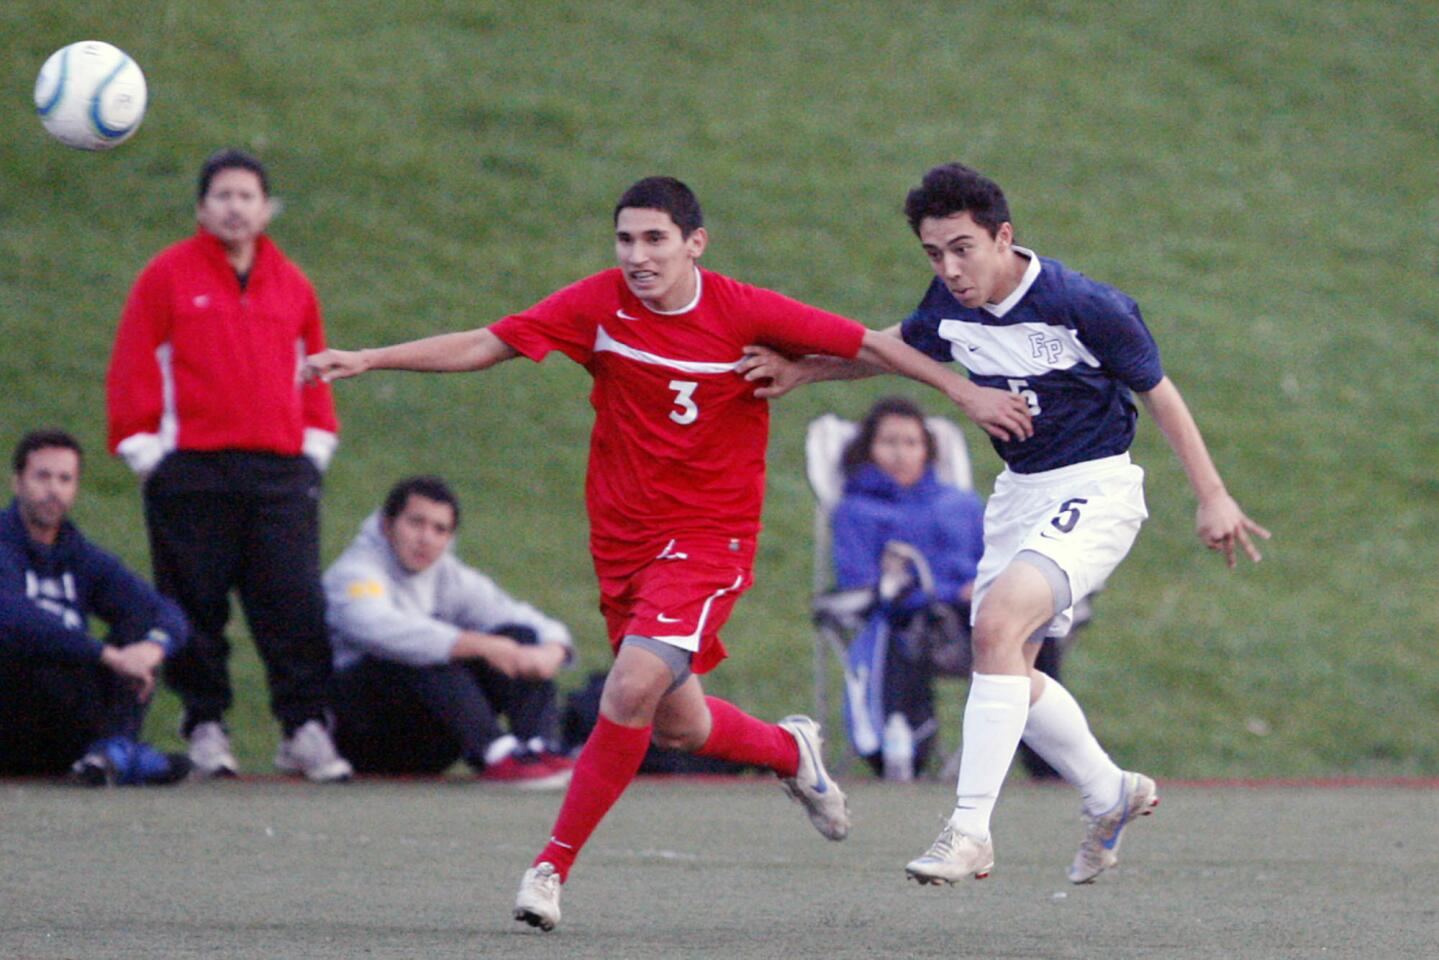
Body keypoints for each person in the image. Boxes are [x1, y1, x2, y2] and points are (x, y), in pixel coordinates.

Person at [303, 175, 1034, 931]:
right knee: (676, 724)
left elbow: (873, 344)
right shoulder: (597, 306)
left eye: (654, 239)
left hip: (710, 541)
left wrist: (964, 394)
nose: (637, 256)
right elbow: (489, 342)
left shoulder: (743, 309)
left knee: (627, 689)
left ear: (694, 244)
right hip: (625, 547)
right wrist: (372, 357)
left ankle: (549, 868)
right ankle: (790, 752)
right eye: (625, 239)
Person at [739, 162, 1270, 887]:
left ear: (1003, 237)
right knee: (1007, 664)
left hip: (1096, 488)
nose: (950, 269)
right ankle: (1110, 792)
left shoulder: (1083, 304)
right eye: (933, 253)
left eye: (962, 248)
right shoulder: (948, 304)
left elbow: (1159, 393)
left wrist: (1212, 495)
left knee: (993, 626)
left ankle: (969, 831)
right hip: (1018, 497)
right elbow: (893, 347)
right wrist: (806, 370)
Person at [104, 148, 352, 783]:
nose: (235, 207)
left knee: (293, 602)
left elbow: (316, 367)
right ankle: (205, 724)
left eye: (247, 195)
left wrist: (315, 446)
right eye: (222, 195)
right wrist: (145, 453)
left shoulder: (293, 284)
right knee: (196, 604)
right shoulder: (165, 276)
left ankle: (304, 728)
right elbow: (134, 362)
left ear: (266, 208)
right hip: (192, 472)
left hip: (280, 474)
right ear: (201, 207)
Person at [324, 475, 575, 788]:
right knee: (426, 647)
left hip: (429, 741)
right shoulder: (355, 571)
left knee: (518, 635)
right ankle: (495, 752)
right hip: (360, 738)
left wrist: (552, 650)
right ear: (388, 525)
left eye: (439, 529)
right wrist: (481, 646)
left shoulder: (448, 575)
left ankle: (536, 748)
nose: (426, 538)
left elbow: (521, 618)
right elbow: (379, 628)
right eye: (416, 523)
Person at [0, 430, 191, 786]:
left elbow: (164, 613)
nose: (53, 490)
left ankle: (111, 750)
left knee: (139, 626)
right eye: (42, 477)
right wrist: (108, 655)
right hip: (12, 705)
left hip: (65, 709)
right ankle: (122, 755)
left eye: (64, 479)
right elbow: (13, 619)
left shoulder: (80, 554)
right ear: (18, 482)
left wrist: (151, 648)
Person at [829, 396, 985, 779]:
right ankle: (902, 746)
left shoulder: (962, 505)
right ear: (868, 448)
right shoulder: (856, 511)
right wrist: (945, 593)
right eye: (889, 442)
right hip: (906, 617)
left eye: (911, 443)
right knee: (900, 625)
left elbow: (994, 563)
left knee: (1033, 625)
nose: (900, 453)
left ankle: (1045, 754)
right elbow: (861, 583)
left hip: (975, 616)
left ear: (927, 450)